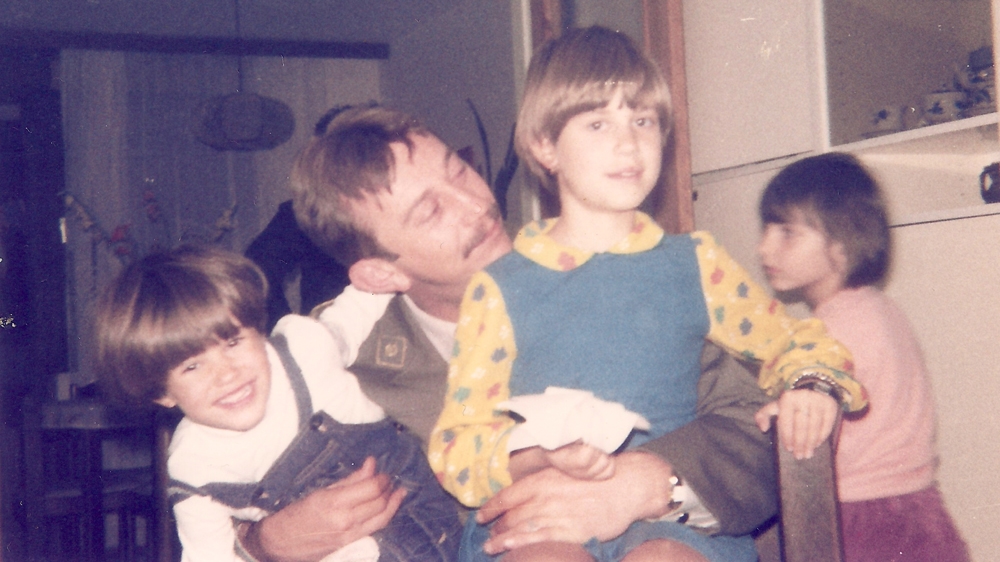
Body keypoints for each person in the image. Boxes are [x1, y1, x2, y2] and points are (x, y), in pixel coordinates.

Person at [241, 101, 777, 562]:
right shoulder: (339, 360)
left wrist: (650, 483)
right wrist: (263, 543)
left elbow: (757, 430)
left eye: (459, 171)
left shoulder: (617, 260)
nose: (477, 205)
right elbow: (214, 465)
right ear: (382, 273)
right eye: (431, 211)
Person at [426, 26, 866, 562]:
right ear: (545, 146)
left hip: (669, 521)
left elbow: (794, 340)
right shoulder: (499, 289)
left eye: (642, 120)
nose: (627, 142)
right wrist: (537, 455)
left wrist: (810, 385)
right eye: (596, 123)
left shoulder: (695, 264)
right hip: (543, 514)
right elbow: (456, 447)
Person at [94, 245, 460, 562]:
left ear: (258, 330)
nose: (227, 375)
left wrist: (380, 276)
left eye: (234, 343)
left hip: (428, 524)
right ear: (162, 393)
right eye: (192, 366)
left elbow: (356, 310)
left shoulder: (303, 350)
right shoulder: (195, 468)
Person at [755, 152, 970, 562]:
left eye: (786, 232)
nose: (763, 247)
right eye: (766, 228)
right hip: (920, 512)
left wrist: (782, 419)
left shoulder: (830, 333)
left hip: (862, 521)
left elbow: (814, 435)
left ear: (841, 244)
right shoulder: (881, 310)